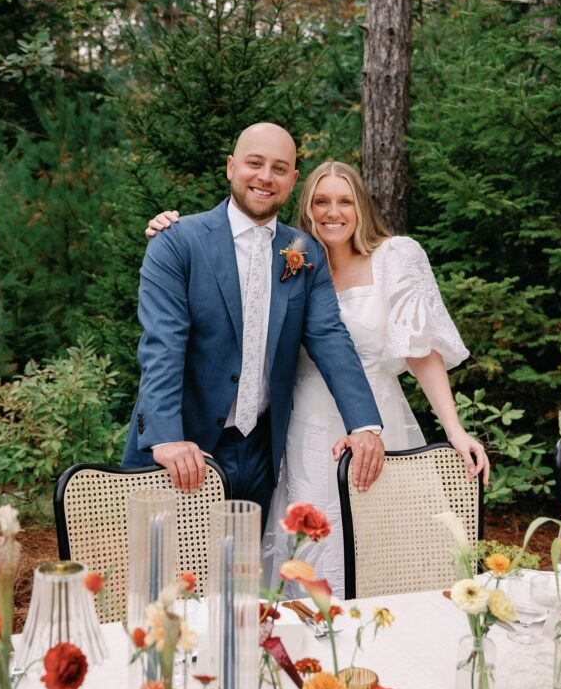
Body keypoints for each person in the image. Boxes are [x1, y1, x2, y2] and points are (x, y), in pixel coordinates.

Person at [146, 159, 490, 595]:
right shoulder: (287, 257)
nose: (333, 212)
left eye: (345, 201)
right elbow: (219, 277)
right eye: (321, 201)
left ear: (361, 206)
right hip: (301, 430)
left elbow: (421, 352)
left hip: (372, 418)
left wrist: (454, 429)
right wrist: (169, 230)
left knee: (383, 549)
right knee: (308, 547)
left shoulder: (395, 256)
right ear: (305, 208)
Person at [123, 125, 385, 531]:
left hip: (261, 451)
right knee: (164, 582)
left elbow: (330, 336)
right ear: (231, 167)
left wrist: (364, 425)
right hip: (183, 449)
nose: (265, 177)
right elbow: (163, 345)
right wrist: (167, 438)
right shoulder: (177, 242)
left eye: (279, 168)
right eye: (255, 163)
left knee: (240, 577)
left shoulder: (303, 251)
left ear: (293, 180)